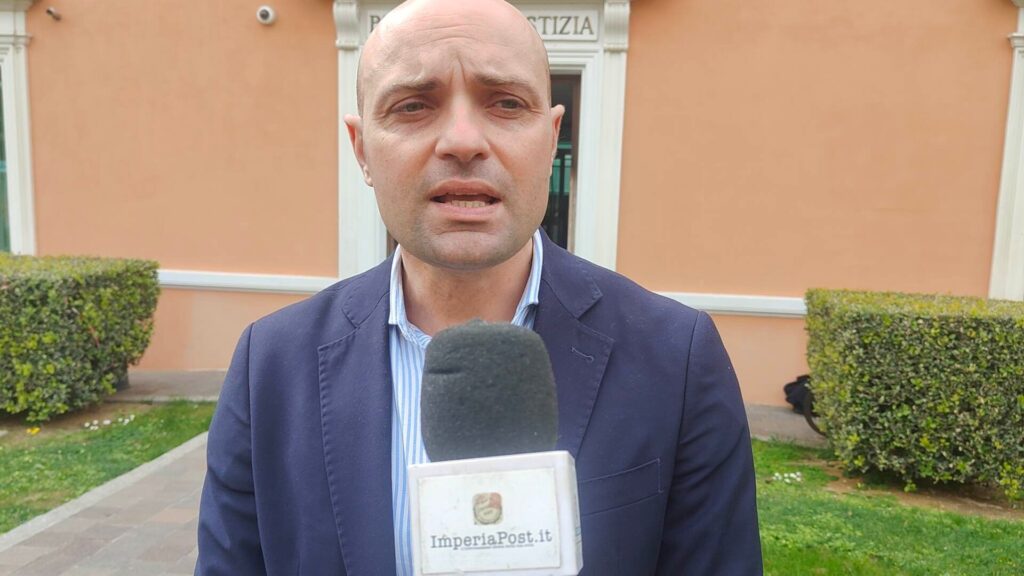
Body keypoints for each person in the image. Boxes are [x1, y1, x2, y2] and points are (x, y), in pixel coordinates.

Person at [195, 0, 762, 574]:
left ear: (552, 137)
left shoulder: (676, 358)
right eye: (414, 106)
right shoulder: (270, 366)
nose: (463, 141)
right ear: (362, 149)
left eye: (506, 103)